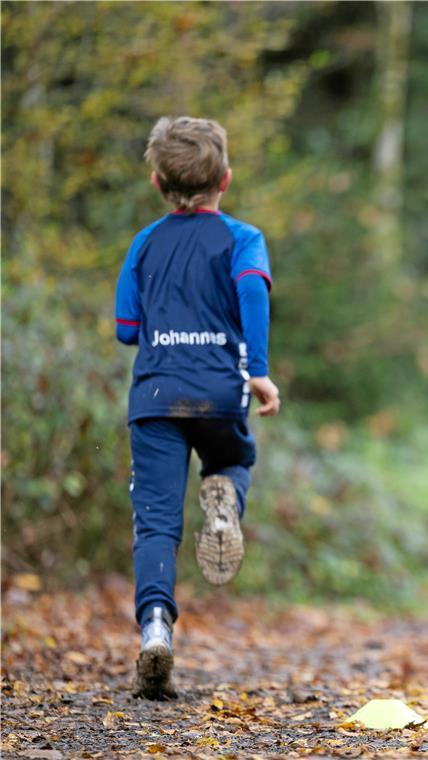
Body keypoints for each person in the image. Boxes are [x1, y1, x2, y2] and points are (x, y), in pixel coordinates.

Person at [114, 116, 281, 699]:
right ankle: (223, 506)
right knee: (231, 463)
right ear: (226, 180)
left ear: (158, 182)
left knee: (155, 522)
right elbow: (253, 290)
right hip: (218, 390)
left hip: (156, 395)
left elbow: (126, 327)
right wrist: (256, 369)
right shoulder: (242, 239)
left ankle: (156, 629)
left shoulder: (145, 243)